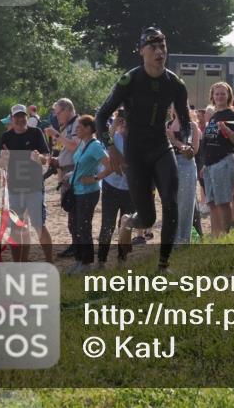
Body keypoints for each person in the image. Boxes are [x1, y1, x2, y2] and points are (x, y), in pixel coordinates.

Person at [96, 26, 192, 273]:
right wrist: (111, 149)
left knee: (170, 202)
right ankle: (128, 222)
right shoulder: (130, 80)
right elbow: (101, 116)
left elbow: (185, 121)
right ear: (142, 52)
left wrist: (187, 142)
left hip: (161, 147)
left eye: (163, 47)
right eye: (153, 47)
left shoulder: (175, 83)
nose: (160, 52)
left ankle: (163, 265)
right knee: (148, 218)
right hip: (135, 153)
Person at [0, 104, 53, 263]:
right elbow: (1, 164)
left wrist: (38, 157)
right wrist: (4, 159)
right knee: (17, 228)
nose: (20, 119)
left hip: (34, 187)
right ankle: (19, 264)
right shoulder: (6, 137)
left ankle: (50, 261)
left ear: (26, 117)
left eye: (23, 116)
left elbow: (46, 158)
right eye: (17, 117)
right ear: (12, 119)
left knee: (38, 225)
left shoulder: (36, 133)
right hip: (14, 189)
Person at [66, 115, 107, 274]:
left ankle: (86, 263)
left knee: (83, 227)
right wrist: (71, 174)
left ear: (89, 128)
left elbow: (110, 165)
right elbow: (80, 164)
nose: (76, 129)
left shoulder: (95, 146)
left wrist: (95, 178)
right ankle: (79, 260)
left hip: (88, 193)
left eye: (79, 127)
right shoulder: (83, 143)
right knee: (74, 226)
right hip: (76, 191)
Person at [202, 82, 234, 235]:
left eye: (223, 93)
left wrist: (227, 130)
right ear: (212, 96)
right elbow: (208, 142)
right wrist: (204, 165)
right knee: (212, 204)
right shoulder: (214, 116)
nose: (219, 96)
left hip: (224, 162)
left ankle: (226, 235)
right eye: (217, 93)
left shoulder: (232, 115)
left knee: (223, 202)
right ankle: (215, 236)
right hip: (210, 165)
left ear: (228, 96)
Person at [97, 110, 135, 267]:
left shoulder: (138, 141)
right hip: (110, 186)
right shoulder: (114, 136)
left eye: (127, 121)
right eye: (122, 121)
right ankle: (101, 260)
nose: (124, 124)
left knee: (126, 225)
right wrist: (113, 126)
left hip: (130, 189)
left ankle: (122, 258)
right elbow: (103, 142)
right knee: (107, 224)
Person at [45, 98, 80, 259]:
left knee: (74, 210)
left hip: (73, 171)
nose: (56, 116)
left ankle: (78, 247)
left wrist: (56, 135)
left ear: (67, 110)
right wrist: (57, 160)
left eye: (58, 113)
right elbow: (66, 149)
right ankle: (75, 245)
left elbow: (74, 146)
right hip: (66, 169)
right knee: (71, 210)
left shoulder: (77, 124)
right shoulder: (68, 125)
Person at [167, 105, 202, 245]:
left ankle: (183, 239)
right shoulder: (167, 125)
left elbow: (191, 152)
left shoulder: (191, 126)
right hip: (169, 165)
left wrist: (174, 140)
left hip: (186, 166)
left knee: (185, 205)